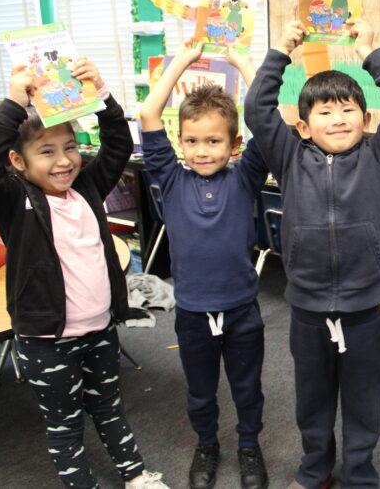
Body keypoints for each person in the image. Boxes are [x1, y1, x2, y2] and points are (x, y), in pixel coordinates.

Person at [0, 60, 168, 488]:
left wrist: (102, 95)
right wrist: (15, 102)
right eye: (47, 151)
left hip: (99, 330)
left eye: (70, 147)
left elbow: (116, 147)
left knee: (110, 407)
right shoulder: (13, 200)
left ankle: (136, 476)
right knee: (64, 423)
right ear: (18, 162)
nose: (64, 161)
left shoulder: (87, 188)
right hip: (46, 339)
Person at [244, 16, 380, 489]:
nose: (338, 118)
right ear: (303, 127)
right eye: (324, 112)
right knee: (312, 401)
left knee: (364, 401)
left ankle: (360, 474)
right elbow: (258, 108)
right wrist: (281, 50)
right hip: (306, 309)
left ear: (365, 120)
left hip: (364, 309)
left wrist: (370, 52)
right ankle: (315, 469)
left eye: (347, 110)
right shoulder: (288, 157)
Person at [139, 42, 268, 489]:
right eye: (191, 141)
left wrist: (245, 65)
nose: (201, 150)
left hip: (241, 309)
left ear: (233, 144)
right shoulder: (171, 179)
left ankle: (249, 446)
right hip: (192, 311)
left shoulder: (246, 176)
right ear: (180, 142)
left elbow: (265, 122)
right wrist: (180, 63)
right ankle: (207, 443)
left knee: (248, 388)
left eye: (213, 141)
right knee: (199, 391)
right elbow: (149, 115)